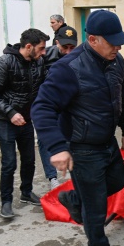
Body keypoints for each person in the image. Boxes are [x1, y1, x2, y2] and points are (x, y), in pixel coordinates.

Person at [32, 10, 124, 246]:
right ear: (94, 39)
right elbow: (42, 107)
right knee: (97, 203)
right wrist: (57, 147)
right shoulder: (69, 68)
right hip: (82, 147)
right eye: (112, 41)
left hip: (107, 140)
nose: (118, 46)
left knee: (118, 181)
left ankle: (75, 199)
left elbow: (122, 97)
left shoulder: (116, 61)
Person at [0, 28, 49, 219]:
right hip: (6, 120)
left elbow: (44, 86)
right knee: (9, 162)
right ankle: (6, 202)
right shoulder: (5, 62)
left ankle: (26, 193)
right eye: (41, 48)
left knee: (29, 159)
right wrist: (11, 113)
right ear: (29, 46)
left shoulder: (38, 62)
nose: (44, 52)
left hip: (27, 119)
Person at [40, 25, 79, 190]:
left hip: (69, 106)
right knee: (46, 141)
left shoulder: (81, 58)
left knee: (69, 138)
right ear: (57, 43)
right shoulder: (43, 57)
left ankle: (72, 170)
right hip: (49, 105)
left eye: (72, 47)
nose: (68, 52)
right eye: (65, 47)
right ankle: (52, 177)